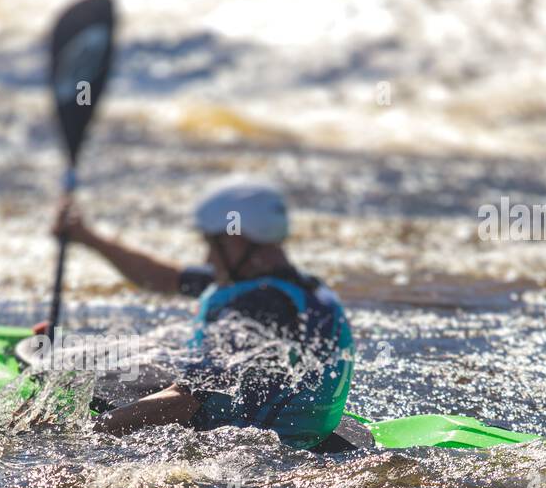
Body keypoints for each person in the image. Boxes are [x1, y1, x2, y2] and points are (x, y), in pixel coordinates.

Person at [50, 181, 355, 450]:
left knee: (84, 384)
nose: (208, 257)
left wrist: (86, 434)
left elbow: (185, 401)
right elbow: (162, 277)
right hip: (303, 430)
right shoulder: (287, 286)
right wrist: (87, 237)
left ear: (239, 239)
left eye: (213, 244)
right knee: (130, 365)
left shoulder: (258, 308)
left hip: (261, 448)